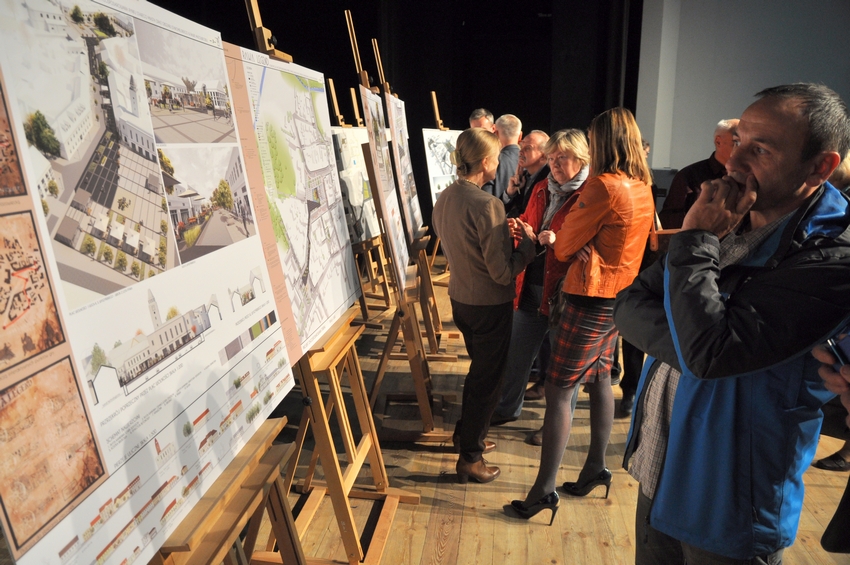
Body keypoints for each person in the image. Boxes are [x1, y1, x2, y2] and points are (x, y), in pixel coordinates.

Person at [614, 83, 850, 564]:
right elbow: (630, 304)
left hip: (730, 500)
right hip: (661, 467)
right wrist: (700, 345)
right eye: (738, 140)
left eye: (760, 149)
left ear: (819, 167)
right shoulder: (730, 221)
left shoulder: (832, 257)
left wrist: (697, 238)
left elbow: (711, 353)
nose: (733, 161)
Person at [510, 107, 654, 522]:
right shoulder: (641, 184)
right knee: (601, 379)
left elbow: (564, 244)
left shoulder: (604, 186)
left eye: (592, 140)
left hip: (588, 295)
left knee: (559, 391)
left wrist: (566, 240)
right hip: (617, 295)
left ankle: (543, 491)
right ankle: (595, 468)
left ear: (603, 142)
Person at [432, 127, 536, 484]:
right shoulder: (487, 204)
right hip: (489, 304)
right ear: (487, 161)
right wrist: (527, 248)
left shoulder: (446, 195)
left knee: (481, 374)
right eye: (498, 158)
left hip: (461, 299)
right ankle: (470, 458)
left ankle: (467, 436)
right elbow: (501, 272)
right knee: (487, 381)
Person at [489, 129, 590, 427]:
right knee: (516, 357)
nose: (554, 164)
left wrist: (559, 241)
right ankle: (507, 409)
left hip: (566, 292)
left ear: (581, 159)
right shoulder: (542, 187)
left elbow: (590, 245)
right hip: (531, 285)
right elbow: (529, 223)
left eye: (562, 158)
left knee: (563, 371)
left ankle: (555, 429)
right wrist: (522, 229)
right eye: (552, 158)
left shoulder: (590, 195)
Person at [658, 119, 739, 228]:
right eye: (736, 142)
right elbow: (670, 222)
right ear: (718, 142)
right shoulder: (689, 175)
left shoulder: (750, 175)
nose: (743, 149)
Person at [503, 130, 550, 218]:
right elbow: (503, 211)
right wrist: (510, 193)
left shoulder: (550, 180)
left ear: (543, 156)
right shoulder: (522, 177)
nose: (520, 151)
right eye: (521, 146)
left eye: (528, 148)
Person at [482, 114, 522, 200]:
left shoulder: (490, 161)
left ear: (496, 134)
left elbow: (485, 198)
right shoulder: (528, 161)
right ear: (520, 135)